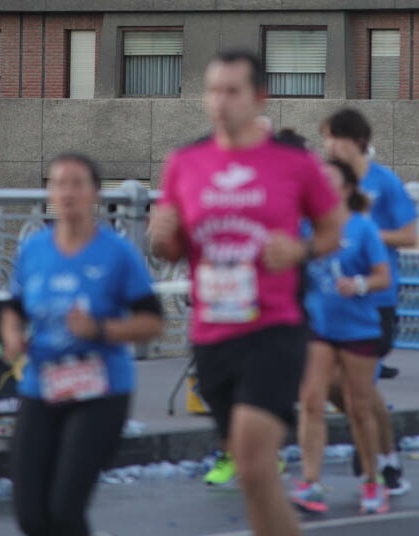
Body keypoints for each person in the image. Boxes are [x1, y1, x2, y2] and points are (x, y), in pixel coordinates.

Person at [150, 49, 341, 536]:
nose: (220, 101)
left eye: (232, 91)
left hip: (273, 328)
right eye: (213, 90)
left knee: (255, 465)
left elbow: (332, 231)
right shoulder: (184, 162)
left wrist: (297, 250)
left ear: (259, 97)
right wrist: (161, 234)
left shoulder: (291, 161)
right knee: (253, 475)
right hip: (211, 333)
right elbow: (168, 247)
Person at [0, 153, 163, 536]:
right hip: (42, 385)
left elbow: (152, 321)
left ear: (93, 194)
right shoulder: (34, 250)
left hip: (101, 389)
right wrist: (11, 335)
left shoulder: (117, 252)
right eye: (58, 183)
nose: (67, 192)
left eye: (77, 183)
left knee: (64, 511)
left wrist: (101, 330)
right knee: (30, 516)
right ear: (49, 194)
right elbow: (13, 309)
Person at [322, 108, 417, 496]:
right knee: (329, 386)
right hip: (331, 301)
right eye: (325, 138)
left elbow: (409, 236)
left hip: (375, 299)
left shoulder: (385, 182)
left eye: (334, 138)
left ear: (356, 140)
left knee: (363, 389)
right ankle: (372, 436)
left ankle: (386, 460)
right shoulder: (327, 183)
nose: (328, 146)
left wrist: (366, 233)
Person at [293, 160, 391, 516]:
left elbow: (383, 277)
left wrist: (359, 284)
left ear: (347, 188)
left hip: (359, 328)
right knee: (311, 401)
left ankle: (372, 480)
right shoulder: (306, 226)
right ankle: (311, 481)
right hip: (318, 327)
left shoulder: (363, 228)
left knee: (358, 407)